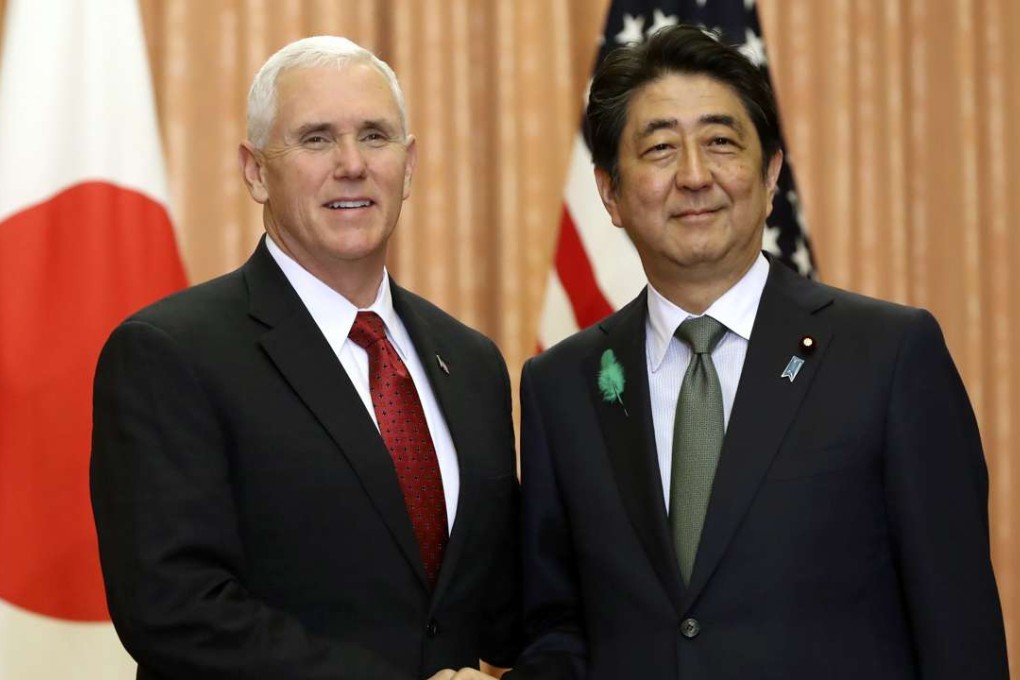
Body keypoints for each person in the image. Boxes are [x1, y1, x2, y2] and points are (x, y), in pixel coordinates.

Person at [507, 25, 1009, 680]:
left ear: (771, 173)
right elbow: (558, 628)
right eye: (660, 148)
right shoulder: (561, 385)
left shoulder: (889, 356)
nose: (695, 176)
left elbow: (957, 626)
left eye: (721, 142)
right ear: (610, 193)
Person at [90, 36, 519, 680]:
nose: (352, 164)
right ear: (256, 171)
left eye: (374, 136)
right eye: (316, 139)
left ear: (408, 165)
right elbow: (175, 609)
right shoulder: (169, 354)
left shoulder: (472, 361)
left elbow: (504, 605)